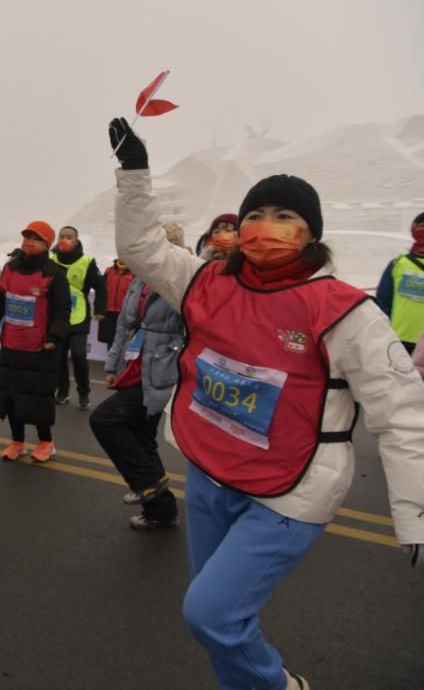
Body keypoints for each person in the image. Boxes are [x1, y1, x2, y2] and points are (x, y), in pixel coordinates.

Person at [109, 116, 424, 690]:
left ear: (312, 233)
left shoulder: (344, 311)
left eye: (284, 216)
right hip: (211, 476)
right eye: (254, 214)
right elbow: (139, 246)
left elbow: (403, 417)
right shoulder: (205, 283)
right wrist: (134, 174)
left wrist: (416, 516)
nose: (264, 227)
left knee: (209, 614)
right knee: (223, 619)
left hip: (292, 490)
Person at [91, 223, 186, 531]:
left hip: (163, 369)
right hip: (135, 365)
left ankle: (147, 484)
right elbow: (125, 327)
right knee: (143, 439)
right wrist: (112, 366)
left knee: (105, 420)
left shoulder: (183, 280)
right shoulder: (139, 279)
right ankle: (160, 510)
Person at [0, 221, 72, 462]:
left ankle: (46, 442)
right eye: (27, 237)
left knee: (38, 398)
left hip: (40, 348)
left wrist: (54, 337)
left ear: (47, 244)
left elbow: (63, 311)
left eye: (36, 238)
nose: (29, 241)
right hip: (12, 345)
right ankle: (18, 441)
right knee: (11, 397)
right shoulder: (11, 269)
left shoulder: (54, 274)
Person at [51, 226, 107, 409]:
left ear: (76, 240)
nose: (64, 240)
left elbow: (100, 286)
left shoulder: (86, 261)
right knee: (58, 356)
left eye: (69, 237)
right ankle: (62, 391)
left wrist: (100, 310)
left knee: (78, 355)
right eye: (62, 236)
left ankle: (84, 393)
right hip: (58, 316)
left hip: (79, 316)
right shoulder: (50, 259)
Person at [375, 211, 424, 354]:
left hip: (399, 339)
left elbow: (383, 303)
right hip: (399, 340)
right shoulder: (397, 265)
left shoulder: (397, 264)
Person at [97, 257, 135, 350]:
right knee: (109, 341)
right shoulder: (109, 271)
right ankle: (110, 362)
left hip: (124, 313)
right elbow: (101, 291)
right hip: (108, 311)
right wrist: (100, 309)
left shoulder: (134, 273)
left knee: (123, 340)